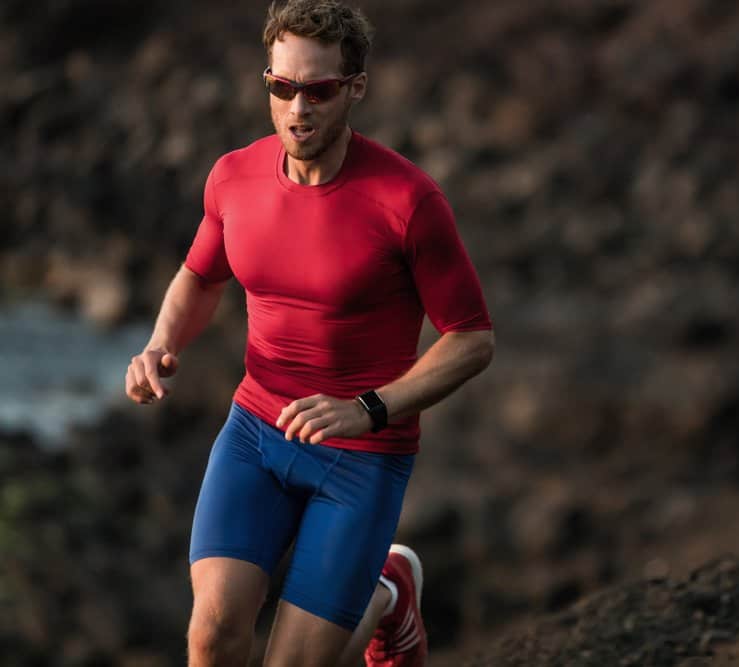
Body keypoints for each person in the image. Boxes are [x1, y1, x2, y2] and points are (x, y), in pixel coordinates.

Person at [124, 1, 494, 664]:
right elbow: (201, 275)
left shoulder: (407, 202)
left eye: (319, 91)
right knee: (210, 634)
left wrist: (366, 409)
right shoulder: (234, 177)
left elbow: (472, 337)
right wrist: (161, 343)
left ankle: (388, 591)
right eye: (282, 87)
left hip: (361, 457)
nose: (299, 109)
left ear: (355, 89)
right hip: (255, 432)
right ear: (267, 79)